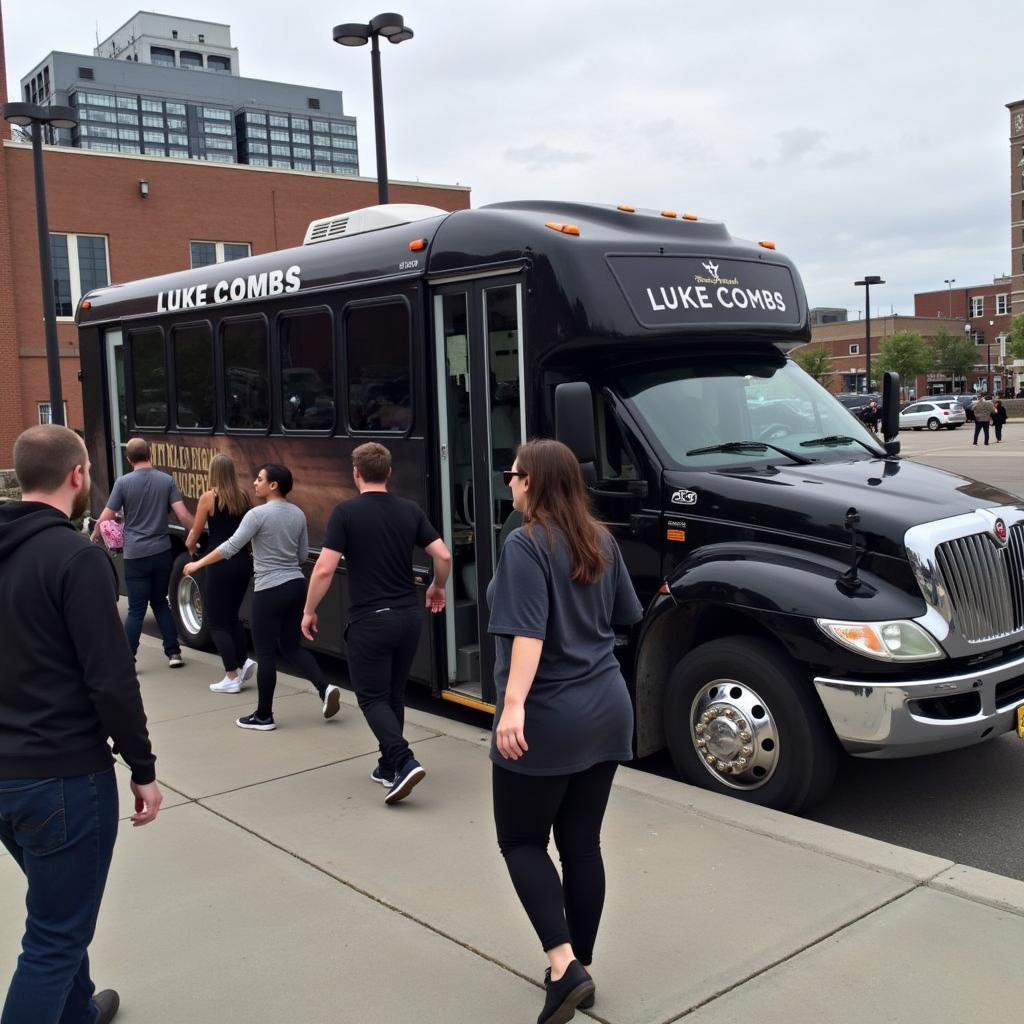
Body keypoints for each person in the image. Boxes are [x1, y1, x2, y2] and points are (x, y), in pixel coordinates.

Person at [0, 425, 163, 1024]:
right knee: (52, 938)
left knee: (59, 911)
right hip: (64, 777)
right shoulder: (77, 558)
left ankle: (77, 1012)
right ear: (77, 475)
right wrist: (142, 769)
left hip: (8, 778)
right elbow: (111, 679)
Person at [487, 439, 643, 1024]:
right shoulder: (599, 539)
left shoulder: (525, 544)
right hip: (606, 708)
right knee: (581, 843)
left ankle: (562, 965)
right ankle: (580, 963)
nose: (508, 484)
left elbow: (527, 634)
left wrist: (512, 707)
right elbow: (625, 615)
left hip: (549, 714)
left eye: (513, 475)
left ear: (533, 482)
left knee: (521, 841)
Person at [302, 442, 451, 804]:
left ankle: (403, 760)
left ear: (356, 473)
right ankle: (387, 766)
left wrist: (308, 610)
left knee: (371, 698)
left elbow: (324, 568)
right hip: (408, 618)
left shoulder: (346, 513)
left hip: (370, 620)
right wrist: (437, 586)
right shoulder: (409, 510)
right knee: (393, 694)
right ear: (388, 473)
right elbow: (443, 554)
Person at [183, 463, 341, 731]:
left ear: (273, 486)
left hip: (269, 589)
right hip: (296, 586)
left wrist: (198, 564)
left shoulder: (257, 515)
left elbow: (231, 547)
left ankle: (264, 716)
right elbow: (302, 556)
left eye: (259, 479)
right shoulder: (298, 514)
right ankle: (324, 688)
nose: (254, 483)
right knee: (291, 647)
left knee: (265, 653)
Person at [90, 437, 194, 668]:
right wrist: (195, 534)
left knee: (136, 609)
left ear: (129, 458)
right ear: (150, 455)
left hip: (135, 554)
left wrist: (96, 532)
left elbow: (107, 515)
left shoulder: (123, 483)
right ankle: (174, 653)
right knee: (160, 602)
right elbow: (182, 514)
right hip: (161, 551)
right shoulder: (166, 481)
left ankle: (128, 658)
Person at [185, 454, 257, 693]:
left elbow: (195, 533)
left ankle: (231, 676)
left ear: (213, 472)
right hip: (243, 563)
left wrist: (191, 546)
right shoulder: (244, 496)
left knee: (216, 622)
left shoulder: (208, 498)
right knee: (232, 616)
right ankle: (244, 661)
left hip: (219, 563)